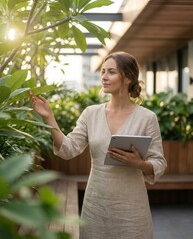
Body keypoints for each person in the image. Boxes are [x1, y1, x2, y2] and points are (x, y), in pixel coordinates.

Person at [30, 51, 167, 239]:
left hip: (132, 210)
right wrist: (49, 118)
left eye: (111, 72)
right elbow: (68, 149)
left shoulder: (147, 118)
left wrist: (140, 164)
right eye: (103, 71)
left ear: (128, 78)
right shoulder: (91, 114)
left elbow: (159, 162)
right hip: (96, 206)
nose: (104, 77)